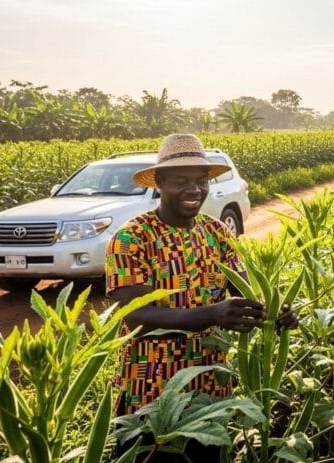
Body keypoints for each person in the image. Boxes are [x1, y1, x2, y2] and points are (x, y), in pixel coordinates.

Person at [105, 133, 296, 461]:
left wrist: (276, 313)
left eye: (201, 181)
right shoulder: (131, 238)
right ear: (160, 182)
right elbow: (137, 317)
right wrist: (212, 314)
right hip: (152, 390)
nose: (194, 189)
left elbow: (246, 295)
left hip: (210, 390)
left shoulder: (217, 232)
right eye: (181, 181)